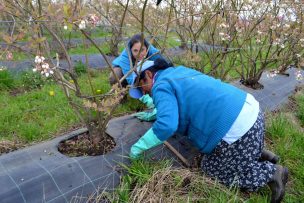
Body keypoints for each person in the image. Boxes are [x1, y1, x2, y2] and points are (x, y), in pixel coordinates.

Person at [128, 58, 288, 203]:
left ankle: (271, 173)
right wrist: (157, 112)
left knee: (211, 168)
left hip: (236, 127)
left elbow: (167, 125)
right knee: (230, 151)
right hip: (251, 112)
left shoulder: (160, 86)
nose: (144, 92)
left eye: (141, 87)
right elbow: (183, 99)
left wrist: (139, 147)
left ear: (149, 74)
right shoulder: (176, 72)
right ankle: (258, 153)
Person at [110, 33, 166, 120]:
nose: (140, 54)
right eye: (135, 51)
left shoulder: (153, 52)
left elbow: (164, 67)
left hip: (144, 68)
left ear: (147, 48)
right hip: (125, 70)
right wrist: (145, 98)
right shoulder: (125, 57)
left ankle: (153, 96)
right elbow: (131, 79)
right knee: (115, 75)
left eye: (142, 50)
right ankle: (121, 99)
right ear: (130, 50)